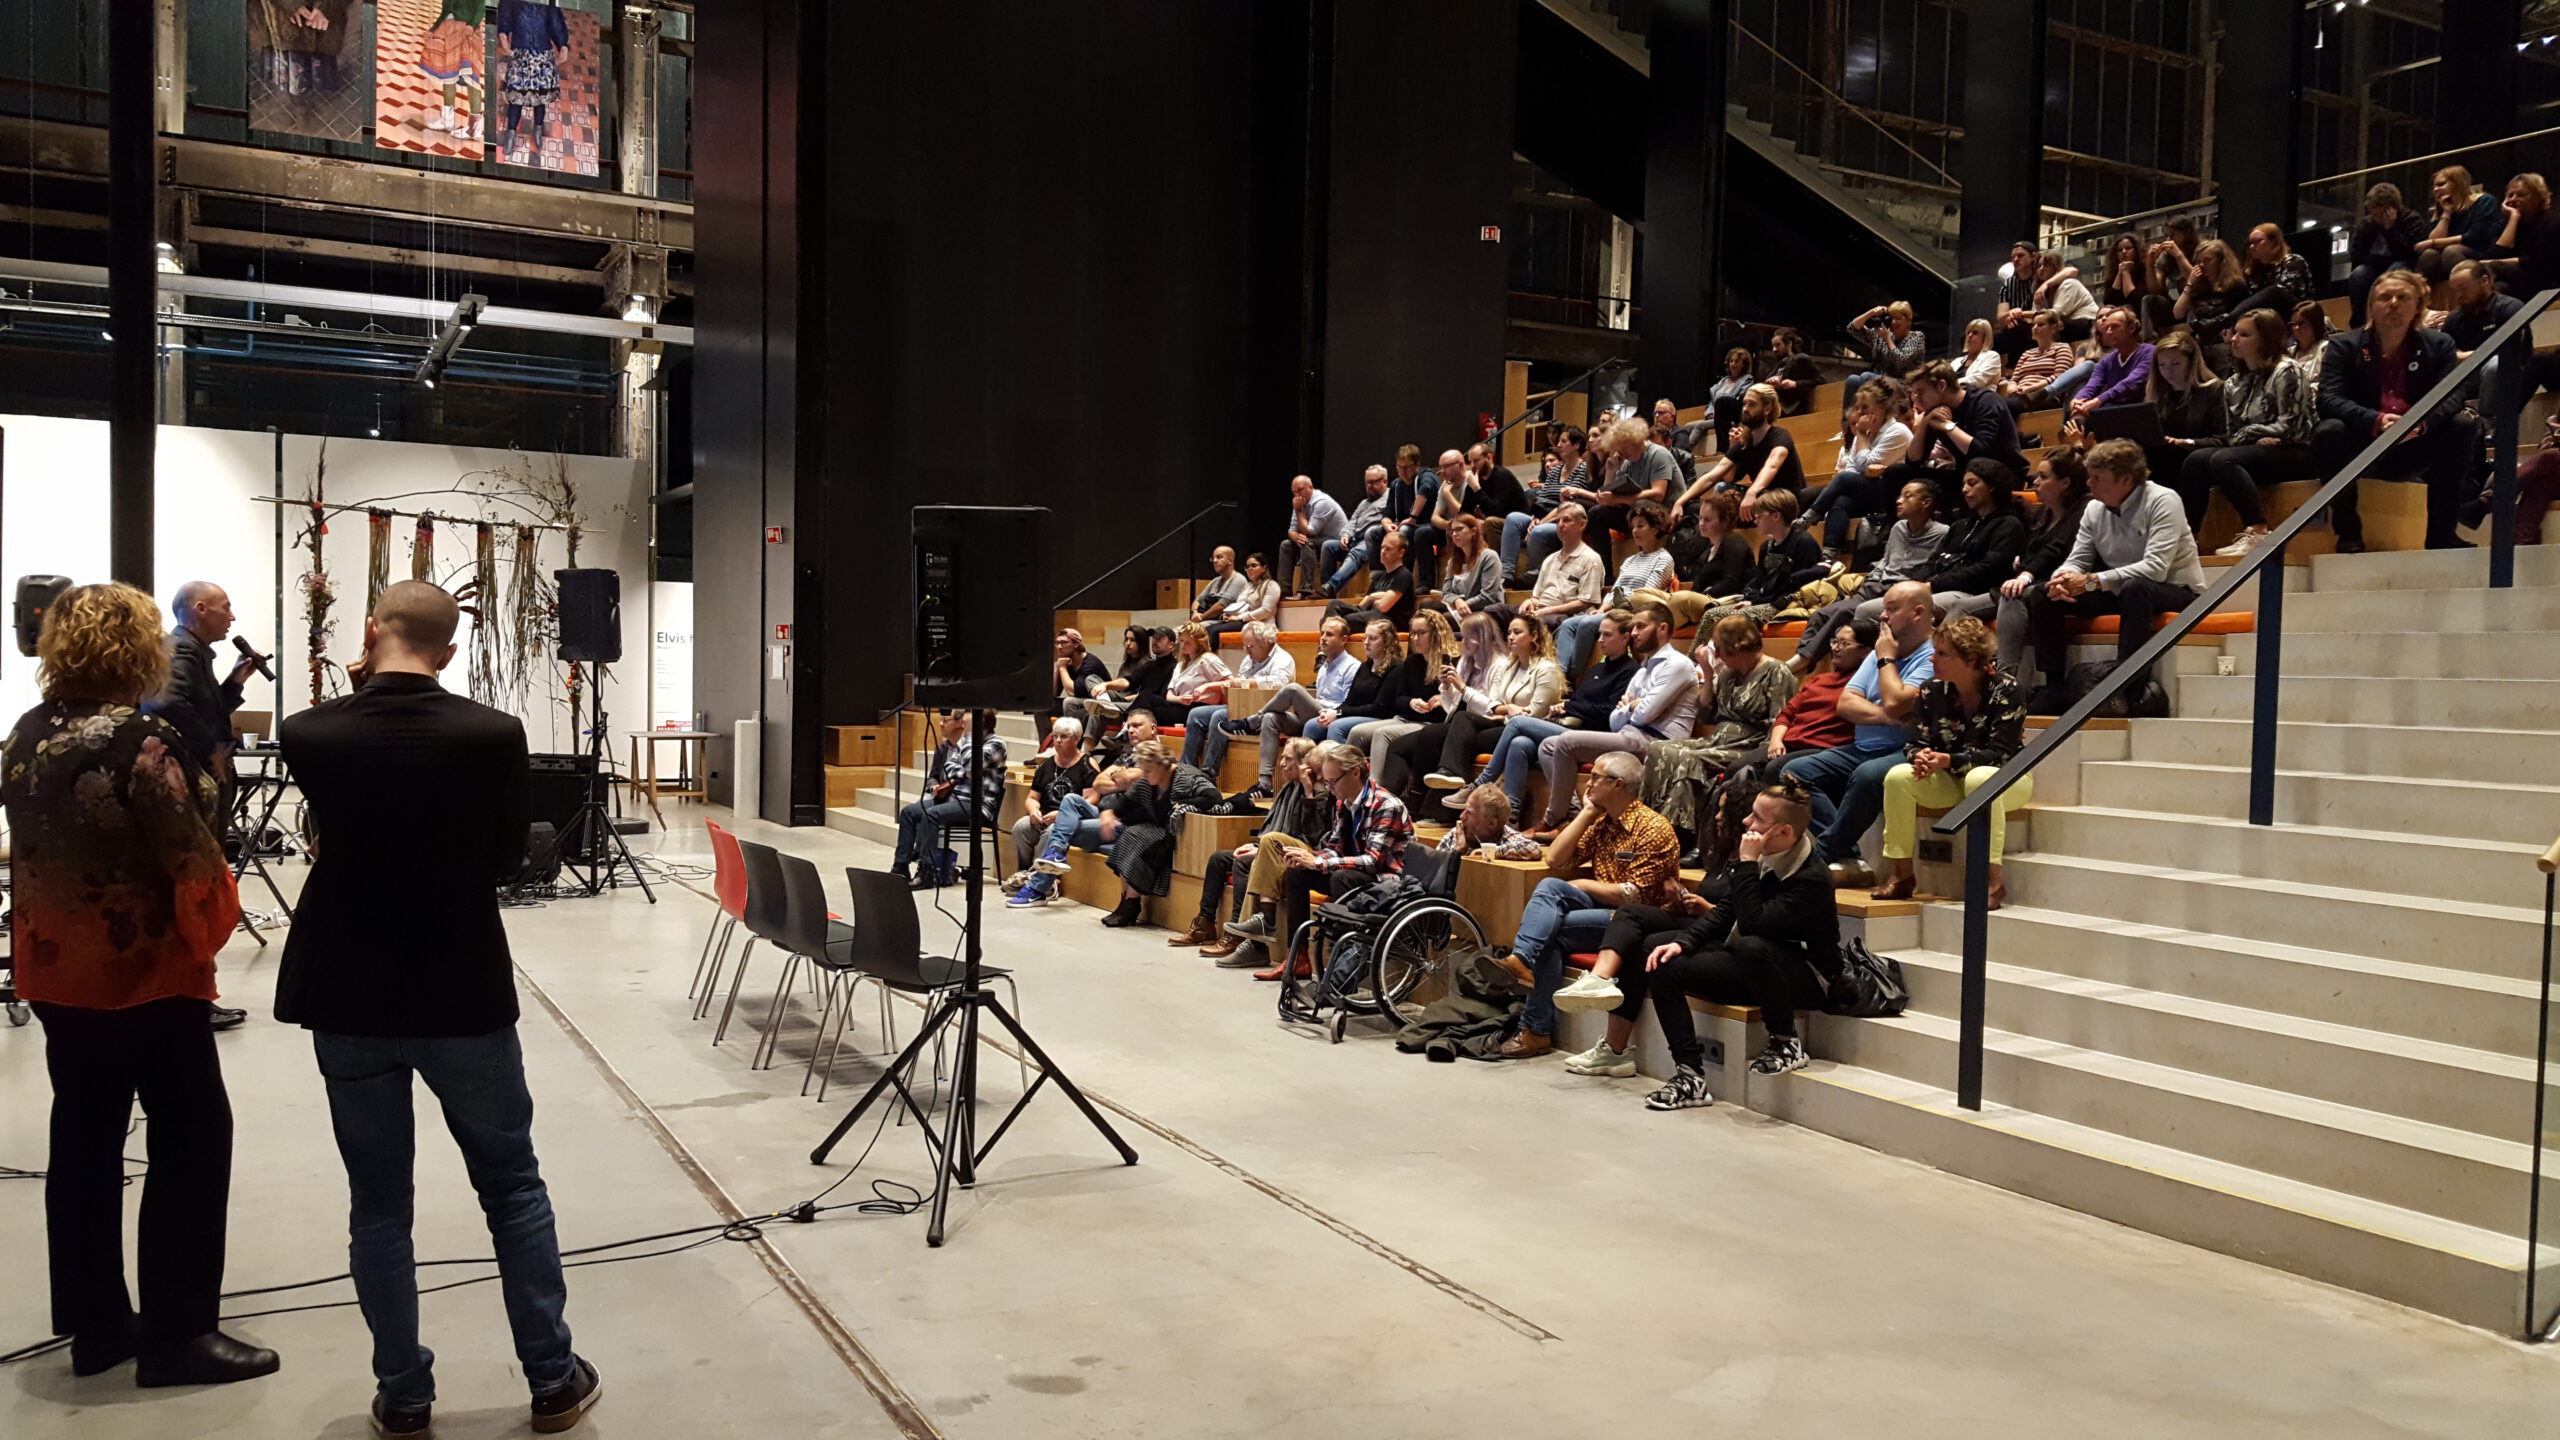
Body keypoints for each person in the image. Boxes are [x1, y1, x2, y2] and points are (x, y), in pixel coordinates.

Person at [277, 579, 600, 1433]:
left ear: (371, 632)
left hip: (347, 990)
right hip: (461, 986)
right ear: (450, 652)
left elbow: (341, 791)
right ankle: (552, 1378)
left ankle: (405, 1396)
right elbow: (506, 856)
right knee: (512, 1186)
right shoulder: (491, 733)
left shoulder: (307, 732)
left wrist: (355, 689)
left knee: (378, 1202)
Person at [3, 582, 264, 1388]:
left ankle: (97, 1326)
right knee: (190, 1139)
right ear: (137, 653)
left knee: (83, 1139)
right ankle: (179, 1335)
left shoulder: (26, 733)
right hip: (146, 976)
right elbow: (193, 856)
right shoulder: (142, 742)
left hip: (56, 973)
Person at [1586, 778, 1842, 1109]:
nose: (1747, 823)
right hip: (1752, 965)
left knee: (1752, 945)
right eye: (1751, 814)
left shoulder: (1810, 878)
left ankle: (1785, 1041)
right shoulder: (1766, 854)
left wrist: (1746, 864)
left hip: (1804, 977)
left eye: (1758, 819)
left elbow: (1753, 924)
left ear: (1784, 833)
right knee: (1664, 963)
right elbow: (1726, 912)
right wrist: (1683, 943)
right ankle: (1689, 1075)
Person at [1487, 749, 1685, 1060]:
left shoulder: (1652, 828)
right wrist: (1587, 813)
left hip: (1633, 921)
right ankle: (1521, 962)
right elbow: (1554, 859)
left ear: (1618, 785)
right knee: (1550, 887)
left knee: (1551, 932)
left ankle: (1535, 1029)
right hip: (1601, 908)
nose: (1587, 785)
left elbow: (1636, 896)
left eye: (1595, 778)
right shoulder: (1602, 820)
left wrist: (1581, 885)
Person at [148, 580, 263, 1031]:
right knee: (195, 890)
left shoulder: (194, 653)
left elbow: (203, 707)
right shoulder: (180, 651)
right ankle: (189, 997)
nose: (231, 617)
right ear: (200, 609)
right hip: (195, 784)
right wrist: (211, 752)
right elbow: (167, 703)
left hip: (200, 779)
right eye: (225, 608)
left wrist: (235, 682)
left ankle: (189, 994)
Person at [2028, 438, 2203, 715]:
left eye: (2097, 478)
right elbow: (2079, 558)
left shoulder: (2163, 500)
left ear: (2125, 480)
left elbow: (2156, 568)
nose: (2089, 484)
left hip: (2175, 589)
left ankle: (2127, 686)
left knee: (2136, 588)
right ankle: (2054, 687)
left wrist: (2091, 581)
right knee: (2042, 593)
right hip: (2120, 589)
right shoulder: (2094, 509)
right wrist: (2063, 578)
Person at [1780, 579, 1936, 885]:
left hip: (1906, 750)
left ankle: (1820, 854)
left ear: (1918, 612)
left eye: (1891, 609)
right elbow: (1846, 704)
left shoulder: (1931, 655)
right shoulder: (1880, 650)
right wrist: (1889, 718)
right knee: (1793, 771)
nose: (1883, 617)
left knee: (1867, 775)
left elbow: (1896, 699)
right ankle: (1848, 852)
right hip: (1862, 746)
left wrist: (1886, 660)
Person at [2312, 267, 2479, 552]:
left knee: (2462, 424)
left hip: (2417, 440)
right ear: (2371, 306)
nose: (2393, 304)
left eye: (2402, 297)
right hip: (2365, 440)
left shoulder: (2440, 344)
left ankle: (2441, 534)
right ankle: (2349, 533)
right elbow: (2329, 397)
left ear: (2417, 306)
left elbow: (2453, 394)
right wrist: (2375, 420)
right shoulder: (2343, 345)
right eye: (2385, 297)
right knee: (2329, 431)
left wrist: (2419, 423)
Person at [1872, 615, 2029, 910]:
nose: (1933, 659)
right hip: (1950, 777)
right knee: (1897, 776)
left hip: (2007, 778)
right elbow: (1914, 742)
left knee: (1981, 779)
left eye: (1942, 654)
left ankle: (1992, 880)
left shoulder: (2008, 690)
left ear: (1970, 659)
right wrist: (1920, 758)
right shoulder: (1931, 691)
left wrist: (1947, 760)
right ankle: (1902, 875)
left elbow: (2000, 755)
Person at [1237, 742, 1411, 982]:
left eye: (1333, 781)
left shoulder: (1386, 805)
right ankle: (1297, 957)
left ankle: (1339, 964)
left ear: (1356, 772)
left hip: (1385, 882)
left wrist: (1320, 864)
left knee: (1340, 877)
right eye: (1326, 782)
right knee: (1295, 874)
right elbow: (1335, 847)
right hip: (1352, 872)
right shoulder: (1344, 802)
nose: (1329, 788)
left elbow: (1373, 861)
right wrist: (1311, 859)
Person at [1446, 609, 1634, 820]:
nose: (1600, 640)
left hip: (1595, 735)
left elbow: (1607, 712)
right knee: (1520, 743)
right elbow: (1578, 702)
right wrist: (1566, 707)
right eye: (1599, 634)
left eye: (1607, 635)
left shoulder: (1629, 670)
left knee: (1517, 722)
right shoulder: (1596, 670)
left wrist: (1570, 707)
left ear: (1625, 637)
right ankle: (1511, 817)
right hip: (1572, 728)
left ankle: (1481, 782)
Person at [1529, 602, 1698, 833]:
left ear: (1662, 629)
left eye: (1641, 626)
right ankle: (1572, 814)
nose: (1635, 633)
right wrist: (1632, 708)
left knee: (1567, 741)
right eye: (1634, 627)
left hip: (1658, 742)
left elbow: (1644, 715)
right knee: (1549, 746)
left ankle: (1553, 820)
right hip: (1629, 734)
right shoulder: (1643, 670)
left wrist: (1631, 708)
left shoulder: (1678, 664)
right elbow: (1614, 720)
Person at [1638, 613, 1800, 853]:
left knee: (1686, 759)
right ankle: (1649, 826)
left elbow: (1780, 720)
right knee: (1657, 748)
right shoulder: (1727, 675)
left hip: (1748, 744)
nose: (1716, 654)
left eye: (1719, 648)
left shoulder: (1776, 672)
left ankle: (1680, 836)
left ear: (1736, 647)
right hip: (1717, 740)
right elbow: (1705, 715)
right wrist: (1708, 672)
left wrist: (1761, 755)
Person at [2178, 308, 2314, 555]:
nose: (2233, 339)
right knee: (2195, 461)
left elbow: (2292, 426)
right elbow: (2233, 434)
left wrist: (2251, 434)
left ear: (2265, 339)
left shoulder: (2287, 371)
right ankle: (2190, 539)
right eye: (2234, 333)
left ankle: (2258, 531)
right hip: (2254, 451)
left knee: (2224, 459)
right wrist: (2255, 437)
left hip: (2294, 450)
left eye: (2244, 334)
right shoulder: (2233, 381)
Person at [1186, 737, 1332, 959]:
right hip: (1274, 847)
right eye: (1282, 757)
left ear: (1305, 764)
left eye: (1288, 758)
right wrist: (1256, 844)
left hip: (1297, 854)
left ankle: (1238, 934)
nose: (1281, 763)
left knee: (1244, 863)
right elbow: (1272, 829)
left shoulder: (1318, 792)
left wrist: (1310, 794)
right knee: (1219, 859)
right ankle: (1205, 924)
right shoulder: (1287, 789)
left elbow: (1312, 837)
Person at [1792, 479, 1948, 663]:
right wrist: (1872, 579)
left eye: (1907, 496)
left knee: (1845, 613)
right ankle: (1802, 661)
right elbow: (1885, 560)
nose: (1898, 500)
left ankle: (1804, 660)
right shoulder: (1898, 528)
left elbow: (1932, 569)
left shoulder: (1943, 533)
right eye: (1899, 496)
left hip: (1897, 593)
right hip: (1874, 586)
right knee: (1820, 614)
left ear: (1926, 502)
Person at [1413, 613, 1564, 798]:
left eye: (1517, 632)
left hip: (1527, 730)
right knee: (1458, 723)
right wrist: (1504, 711)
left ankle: (1462, 784)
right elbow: (1496, 702)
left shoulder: (1545, 669)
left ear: (1533, 636)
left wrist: (1503, 713)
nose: (1510, 637)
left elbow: (1533, 716)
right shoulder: (1511, 666)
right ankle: (1446, 781)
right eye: (1509, 632)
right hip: (1504, 724)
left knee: (1457, 736)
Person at [2078, 325, 2223, 494]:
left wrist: (2185, 442)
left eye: (2175, 364)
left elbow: (2222, 439)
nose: (2168, 371)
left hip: (2193, 456)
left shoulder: (2213, 390)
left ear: (2191, 363)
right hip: (2162, 456)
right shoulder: (2157, 394)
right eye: (2162, 365)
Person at [1097, 740, 1222, 928]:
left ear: (1162, 765)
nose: (1144, 775)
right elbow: (1124, 804)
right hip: (1156, 827)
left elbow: (1213, 797)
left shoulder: (1186, 777)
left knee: (1142, 839)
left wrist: (1183, 803)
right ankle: (1126, 901)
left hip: (1179, 833)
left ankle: (1131, 903)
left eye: (1148, 771)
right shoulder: (1148, 781)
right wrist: (1108, 814)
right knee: (1130, 834)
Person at [1377, 611, 1503, 796]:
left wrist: (1461, 688)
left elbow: (1493, 708)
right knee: (1398, 746)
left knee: (1430, 734)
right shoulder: (1467, 663)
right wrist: (1446, 688)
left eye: (1468, 638)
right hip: (1460, 723)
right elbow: (1451, 706)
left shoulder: (1498, 665)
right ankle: (1385, 798)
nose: (1464, 642)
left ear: (1481, 638)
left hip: (1482, 725)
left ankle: (1420, 793)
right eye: (1413, 633)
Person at [889, 708, 1008, 889]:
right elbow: (949, 768)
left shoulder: (997, 744)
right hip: (954, 799)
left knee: (931, 814)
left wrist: (967, 749)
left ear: (979, 725)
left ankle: (927, 871)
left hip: (977, 805)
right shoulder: (965, 742)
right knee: (909, 812)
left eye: (966, 724)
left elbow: (969, 763)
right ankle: (900, 867)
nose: (963, 726)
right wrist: (963, 772)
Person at [1556, 500, 1676, 677]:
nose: (1634, 531)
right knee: (1568, 624)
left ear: (1656, 529)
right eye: (1633, 526)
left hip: (1636, 612)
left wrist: (1613, 611)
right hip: (1616, 610)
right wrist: (1603, 608)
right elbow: (1616, 589)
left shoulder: (1664, 559)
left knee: (1588, 624)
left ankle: (1571, 677)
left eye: (1641, 526)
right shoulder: (1630, 560)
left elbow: (1647, 595)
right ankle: (1559, 674)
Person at [1243, 615, 1361, 795]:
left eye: (1329, 634)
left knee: (1292, 690)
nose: (1323, 638)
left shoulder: (1352, 667)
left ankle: (1252, 722)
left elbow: (1347, 703)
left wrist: (1321, 707)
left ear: (1343, 639)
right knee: (1270, 718)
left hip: (1331, 716)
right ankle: (1264, 783)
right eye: (1322, 633)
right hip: (1314, 714)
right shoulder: (1323, 667)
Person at [1879, 360, 2025, 505]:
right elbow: (1913, 460)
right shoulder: (1935, 411)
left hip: (2003, 475)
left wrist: (1947, 426)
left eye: (1920, 392)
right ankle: (1893, 527)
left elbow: (1981, 453)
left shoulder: (1985, 401)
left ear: (1941, 386)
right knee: (1896, 473)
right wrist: (1925, 421)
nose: (1915, 398)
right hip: (1966, 476)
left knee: (1973, 469)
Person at [1802, 379, 1916, 554]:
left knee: (1843, 478)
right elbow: (1854, 467)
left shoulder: (1898, 431)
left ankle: (1810, 516)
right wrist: (1863, 469)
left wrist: (1862, 435)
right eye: (1858, 407)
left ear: (1882, 407)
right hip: (1868, 489)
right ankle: (1829, 553)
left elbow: (1864, 464)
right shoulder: (1865, 433)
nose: (1860, 412)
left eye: (1865, 407)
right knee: (1841, 502)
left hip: (1892, 495)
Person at [1181, 620, 1297, 774]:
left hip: (1265, 711)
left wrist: (1247, 683)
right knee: (1196, 714)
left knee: (1219, 716)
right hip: (1241, 706)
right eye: (1245, 646)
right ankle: (1186, 770)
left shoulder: (1282, 658)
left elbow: (1279, 684)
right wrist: (1228, 687)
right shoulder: (1248, 660)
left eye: (1250, 646)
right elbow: (1240, 684)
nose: (1247, 651)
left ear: (1264, 642)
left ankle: (1208, 773)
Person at [1676, 384, 1803, 519]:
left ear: (1767, 409)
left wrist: (1752, 492)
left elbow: (1772, 465)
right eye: (1744, 404)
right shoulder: (1745, 442)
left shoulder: (1780, 436)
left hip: (1785, 499)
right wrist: (1680, 501)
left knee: (1761, 497)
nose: (1745, 409)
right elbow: (1713, 477)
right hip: (1760, 497)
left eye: (1752, 405)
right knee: (1719, 491)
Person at [1705, 488, 1828, 625]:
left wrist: (1755, 603)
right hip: (1766, 601)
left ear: (1776, 516)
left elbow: (1796, 588)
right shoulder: (1766, 546)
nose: (1755, 521)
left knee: (1733, 618)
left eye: (1759, 516)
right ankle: (1703, 648)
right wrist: (1751, 599)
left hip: (1787, 604)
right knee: (1711, 614)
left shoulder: (1804, 543)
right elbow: (1758, 579)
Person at [1010, 718, 1099, 882]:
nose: (1058, 741)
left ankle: (1036, 876)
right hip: (1043, 816)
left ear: (1076, 739)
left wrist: (1060, 814)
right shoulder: (1046, 765)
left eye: (1064, 737)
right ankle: (1022, 870)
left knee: (1052, 832)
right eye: (1056, 736)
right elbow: (1032, 797)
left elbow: (1091, 800)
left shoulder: (1087, 764)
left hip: (1070, 820)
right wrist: (1033, 811)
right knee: (1020, 827)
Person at [1303, 618, 1416, 747]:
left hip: (1381, 718)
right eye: (1365, 638)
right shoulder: (1365, 666)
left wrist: (1339, 714)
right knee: (1312, 725)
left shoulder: (1396, 668)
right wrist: (1332, 712)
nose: (1366, 643)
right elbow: (1350, 701)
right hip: (1358, 715)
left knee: (1337, 727)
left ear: (1386, 642)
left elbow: (1380, 707)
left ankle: (1340, 765)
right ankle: (1309, 765)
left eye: (1372, 639)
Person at [1653, 489, 1755, 627]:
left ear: (1724, 521)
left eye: (1707, 520)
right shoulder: (1707, 551)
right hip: (1706, 599)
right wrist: (1697, 593)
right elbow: (1697, 583)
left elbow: (1732, 582)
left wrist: (1703, 594)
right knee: (1645, 596)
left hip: (1729, 600)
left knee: (1680, 600)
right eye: (1700, 518)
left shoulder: (1733, 542)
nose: (1701, 524)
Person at [1505, 427, 1588, 581]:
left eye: (1564, 441)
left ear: (1576, 445)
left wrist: (1540, 523)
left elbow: (1567, 505)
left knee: (1539, 531)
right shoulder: (1556, 471)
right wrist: (1535, 518)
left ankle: (1534, 573)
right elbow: (1541, 499)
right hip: (1545, 515)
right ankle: (1506, 572)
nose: (1559, 445)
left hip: (1564, 517)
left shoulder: (1583, 468)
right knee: (1513, 518)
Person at [1592, 417, 1681, 558]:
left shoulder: (1658, 454)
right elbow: (1611, 494)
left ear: (1636, 440)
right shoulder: (1628, 463)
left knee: (1640, 507)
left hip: (1665, 512)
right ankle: (1605, 571)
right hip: (1640, 511)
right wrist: (1611, 472)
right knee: (1598, 512)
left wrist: (1617, 499)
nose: (1621, 453)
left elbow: (1658, 494)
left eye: (1623, 447)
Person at [2344, 181, 2428, 324]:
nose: (2378, 218)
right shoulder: (2367, 225)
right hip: (2373, 266)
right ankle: (2360, 322)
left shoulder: (2411, 220)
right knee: (2359, 274)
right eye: (2375, 214)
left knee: (2394, 271)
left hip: (2403, 264)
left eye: (2382, 214)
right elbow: (2356, 255)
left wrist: (2390, 229)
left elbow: (2408, 253)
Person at [1519, 501, 1607, 630]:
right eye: (1557, 521)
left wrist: (1545, 611)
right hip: (1540, 611)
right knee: (1496, 611)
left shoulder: (1591, 559)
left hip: (1565, 617)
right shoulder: (1550, 559)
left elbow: (1585, 603)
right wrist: (1529, 601)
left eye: (1566, 520)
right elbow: (1536, 597)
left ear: (1582, 524)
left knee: (1532, 623)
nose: (1560, 525)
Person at [2419, 165, 2505, 284]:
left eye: (2441, 184)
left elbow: (2474, 237)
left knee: (2452, 251)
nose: (2435, 189)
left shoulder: (2484, 201)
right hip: (2449, 257)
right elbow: (2433, 242)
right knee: (2429, 254)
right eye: (2434, 186)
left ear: (2458, 183)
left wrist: (2433, 243)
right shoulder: (2441, 210)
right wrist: (2446, 214)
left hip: (2481, 253)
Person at [2066, 307, 2156, 421]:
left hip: (2141, 409)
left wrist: (2098, 400)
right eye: (2106, 328)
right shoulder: (2106, 361)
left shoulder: (2150, 352)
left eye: (2114, 327)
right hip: (2113, 410)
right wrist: (2077, 400)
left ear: (2132, 328)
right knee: (2079, 416)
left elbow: (2130, 383)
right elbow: (2092, 385)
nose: (2108, 332)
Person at [1138, 621, 1232, 728]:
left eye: (1188, 642)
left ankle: (1126, 725)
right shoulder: (1180, 664)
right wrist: (1180, 699)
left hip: (1199, 708)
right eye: (1181, 641)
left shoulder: (1207, 659)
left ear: (1199, 643)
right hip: (1179, 705)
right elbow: (1169, 695)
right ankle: (1127, 724)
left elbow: (1231, 682)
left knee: (1146, 705)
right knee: (1145, 697)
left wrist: (1206, 687)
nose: (1183, 645)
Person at [1320, 464, 1394, 596]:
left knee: (1356, 551)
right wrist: (1345, 535)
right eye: (1367, 483)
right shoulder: (1364, 503)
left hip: (1372, 541)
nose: (1369, 486)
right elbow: (1352, 522)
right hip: (1355, 540)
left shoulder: (1391, 498)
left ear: (1384, 481)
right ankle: (1325, 590)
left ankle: (1331, 586)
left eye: (1373, 482)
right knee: (1328, 546)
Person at [1323, 524, 1417, 628]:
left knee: (1347, 620)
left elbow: (1383, 607)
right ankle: (1330, 634)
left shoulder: (1404, 575)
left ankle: (1333, 635)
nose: (1383, 552)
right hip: (1372, 614)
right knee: (1333, 605)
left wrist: (1372, 598)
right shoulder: (1379, 576)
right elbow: (1365, 604)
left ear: (1401, 553)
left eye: (1388, 549)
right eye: (1382, 548)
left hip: (1389, 622)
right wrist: (1373, 598)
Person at [2484, 172, 2560, 299]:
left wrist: (2496, 263)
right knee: (2495, 286)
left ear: (2539, 197)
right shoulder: (2505, 224)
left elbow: (2536, 261)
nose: (2513, 199)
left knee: (2491, 271)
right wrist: (2514, 218)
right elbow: (2495, 254)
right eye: (2510, 195)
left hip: (2546, 279)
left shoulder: (2553, 222)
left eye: (2521, 195)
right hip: (2517, 280)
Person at [2166, 238, 2250, 348]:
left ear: (2221, 261)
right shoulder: (2199, 287)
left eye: (2207, 260)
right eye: (2199, 261)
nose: (2202, 265)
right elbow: (2178, 313)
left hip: (2224, 342)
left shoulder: (2235, 286)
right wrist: (2190, 284)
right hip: (2199, 343)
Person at [1277, 473, 1348, 597]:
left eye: (1300, 490)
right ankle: (1284, 589)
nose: (1297, 495)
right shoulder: (1299, 502)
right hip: (1318, 541)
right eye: (1294, 492)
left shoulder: (1322, 502)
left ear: (1311, 487)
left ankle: (1305, 588)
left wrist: (1299, 511)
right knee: (1286, 545)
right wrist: (1295, 537)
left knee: (1306, 542)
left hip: (1336, 541)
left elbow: (1310, 531)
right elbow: (1291, 530)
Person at [2235, 223, 2319, 323]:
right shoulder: (2251, 272)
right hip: (2265, 324)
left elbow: (2280, 295)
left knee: (2273, 292)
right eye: (2250, 243)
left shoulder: (2294, 261)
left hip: (2297, 319)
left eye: (2258, 241)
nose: (2252, 247)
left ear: (2274, 242)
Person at [1434, 512, 1508, 620]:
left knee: (1444, 618)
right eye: (1452, 531)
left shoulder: (1489, 557)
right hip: (1460, 607)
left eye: (1459, 529)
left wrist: (1463, 605)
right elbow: (1446, 592)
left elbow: (1488, 596)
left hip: (1484, 610)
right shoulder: (1453, 561)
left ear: (1473, 531)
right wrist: (1457, 601)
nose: (1454, 534)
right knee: (1428, 605)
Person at [1204, 552, 1282, 643]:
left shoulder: (1271, 585)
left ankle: (1211, 656)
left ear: (1264, 568)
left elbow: (1266, 611)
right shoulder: (1248, 586)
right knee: (1207, 629)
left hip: (1259, 623)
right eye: (1247, 567)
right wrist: (1228, 615)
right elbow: (1238, 605)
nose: (1250, 569)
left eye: (1253, 566)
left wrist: (1240, 617)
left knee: (1215, 631)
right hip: (1240, 621)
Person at [1848, 299, 1927, 382]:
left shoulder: (1916, 337)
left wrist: (1887, 339)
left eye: (1898, 318)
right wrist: (1871, 312)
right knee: (1852, 380)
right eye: (1891, 318)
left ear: (1908, 321)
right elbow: (1852, 328)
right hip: (1878, 384)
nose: (1893, 322)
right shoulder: (1883, 335)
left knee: (1866, 376)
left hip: (1904, 386)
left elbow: (1900, 362)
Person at [1053, 629, 1109, 715]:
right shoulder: (1065, 661)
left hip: (1097, 704)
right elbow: (1054, 693)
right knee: (1044, 705)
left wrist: (1062, 668)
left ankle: (1071, 729)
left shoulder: (1090, 663)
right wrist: (1058, 668)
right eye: (1057, 643)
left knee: (1069, 702)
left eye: (1064, 642)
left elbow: (1072, 692)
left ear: (1076, 644)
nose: (1059, 647)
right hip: (1080, 702)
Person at [1708, 349, 1756, 432]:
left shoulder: (1747, 379)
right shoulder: (1723, 381)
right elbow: (1712, 402)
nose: (1733, 364)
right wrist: (1710, 413)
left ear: (1744, 365)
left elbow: (1739, 400)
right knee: (1688, 426)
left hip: (1731, 417)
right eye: (1731, 361)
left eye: (1736, 362)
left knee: (1698, 427)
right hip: (1715, 417)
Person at [1955, 317, 2004, 390]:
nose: (1969, 336)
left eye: (1975, 333)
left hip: (1978, 399)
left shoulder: (1992, 356)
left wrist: (1951, 384)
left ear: (1985, 338)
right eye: (1968, 332)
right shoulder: (1957, 361)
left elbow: (1979, 379)